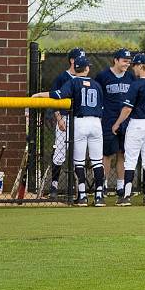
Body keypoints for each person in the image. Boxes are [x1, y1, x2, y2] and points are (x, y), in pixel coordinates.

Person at [33, 55, 106, 207]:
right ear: (86, 69)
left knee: (78, 162)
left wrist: (40, 94)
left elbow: (57, 95)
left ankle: (83, 196)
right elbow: (102, 107)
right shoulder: (97, 84)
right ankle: (99, 196)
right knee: (97, 162)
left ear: (75, 68)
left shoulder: (73, 82)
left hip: (79, 122)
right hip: (96, 123)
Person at [111, 53, 145, 207]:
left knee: (130, 160)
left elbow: (127, 109)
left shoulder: (137, 84)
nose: (133, 68)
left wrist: (117, 124)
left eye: (134, 65)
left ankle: (127, 196)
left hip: (137, 124)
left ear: (140, 66)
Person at [95, 48, 135, 198]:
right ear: (116, 60)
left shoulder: (131, 78)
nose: (127, 64)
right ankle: (103, 185)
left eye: (128, 61)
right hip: (108, 119)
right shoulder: (103, 76)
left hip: (126, 121)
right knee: (107, 154)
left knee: (122, 153)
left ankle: (120, 186)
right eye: (124, 61)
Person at [47, 48, 85, 199]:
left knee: (79, 154)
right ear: (72, 60)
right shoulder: (63, 77)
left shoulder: (85, 78)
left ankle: (77, 188)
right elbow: (54, 99)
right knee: (60, 153)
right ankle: (54, 186)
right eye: (79, 58)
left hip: (80, 119)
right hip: (64, 117)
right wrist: (58, 118)